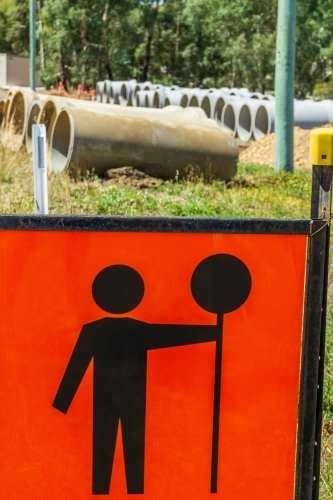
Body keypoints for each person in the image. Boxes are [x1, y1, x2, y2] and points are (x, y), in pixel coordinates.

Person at [52, 265, 218, 495]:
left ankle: (107, 492)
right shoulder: (137, 330)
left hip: (108, 401)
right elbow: (173, 334)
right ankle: (130, 492)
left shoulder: (94, 330)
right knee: (131, 453)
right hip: (129, 401)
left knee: (107, 452)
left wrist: (62, 403)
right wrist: (215, 333)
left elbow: (76, 366)